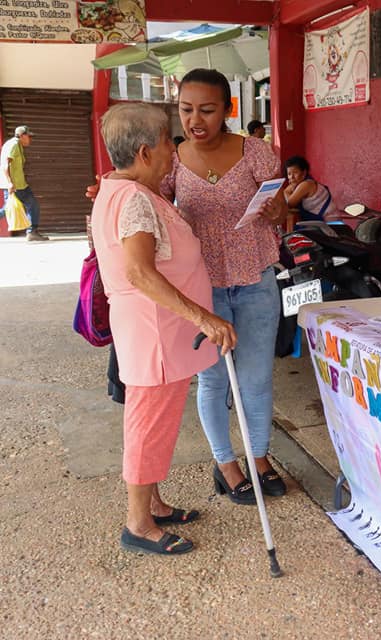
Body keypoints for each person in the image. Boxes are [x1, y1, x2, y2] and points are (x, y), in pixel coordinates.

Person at [87, 69, 289, 506]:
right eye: (186, 109)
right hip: (199, 290)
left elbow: (282, 211)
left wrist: (277, 211)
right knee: (213, 381)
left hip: (255, 279)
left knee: (255, 379)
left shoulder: (256, 152)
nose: (195, 120)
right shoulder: (170, 156)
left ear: (228, 110)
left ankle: (258, 457)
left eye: (207, 110)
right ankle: (225, 464)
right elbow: (142, 194)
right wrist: (109, 187)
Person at [90, 102, 236, 555]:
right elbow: (139, 272)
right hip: (154, 334)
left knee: (157, 424)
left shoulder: (125, 189)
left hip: (157, 334)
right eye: (167, 142)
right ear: (144, 152)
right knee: (147, 425)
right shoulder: (134, 199)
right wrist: (204, 318)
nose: (174, 150)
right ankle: (138, 524)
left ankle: (152, 504)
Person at [1, 125, 48, 241]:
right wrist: (10, 183)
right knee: (8, 209)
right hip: (15, 185)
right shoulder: (14, 145)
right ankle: (32, 232)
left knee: (29, 205)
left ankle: (32, 232)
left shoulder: (16, 145)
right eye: (29, 136)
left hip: (20, 185)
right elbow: (6, 165)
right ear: (22, 136)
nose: (30, 139)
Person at [283, 155, 334, 228]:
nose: (292, 177)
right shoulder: (304, 183)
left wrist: (286, 192)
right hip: (321, 224)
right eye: (289, 174)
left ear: (304, 173)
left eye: (295, 172)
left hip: (329, 226)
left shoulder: (306, 184)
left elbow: (290, 203)